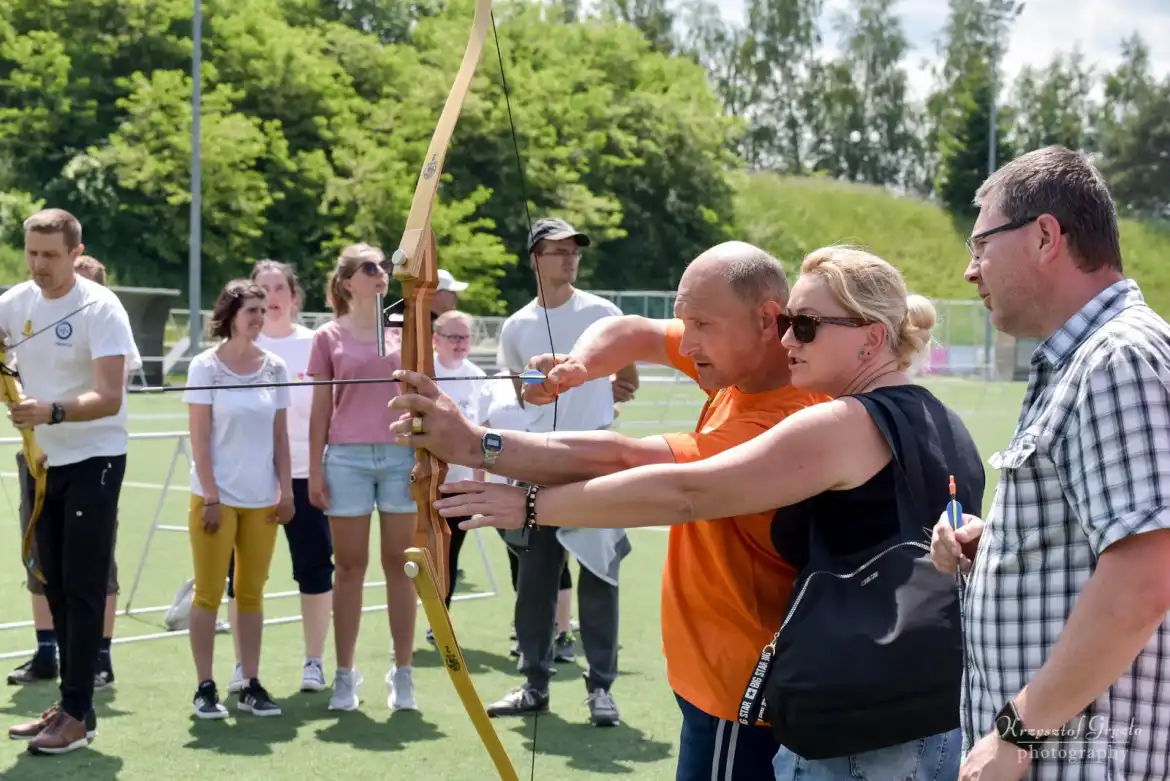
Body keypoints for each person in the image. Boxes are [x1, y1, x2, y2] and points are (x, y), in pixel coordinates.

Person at [397, 245, 987, 780]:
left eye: (804, 327)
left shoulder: (826, 421)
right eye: (790, 325)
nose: (789, 341)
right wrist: (579, 366)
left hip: (811, 707)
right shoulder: (937, 418)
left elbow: (678, 486)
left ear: (871, 338)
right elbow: (636, 332)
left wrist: (500, 470)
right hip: (906, 705)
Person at [929, 145, 1170, 781]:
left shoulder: (1115, 359)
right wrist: (1003, 547)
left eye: (981, 245)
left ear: (1044, 237)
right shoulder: (1086, 358)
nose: (970, 271)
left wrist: (1016, 732)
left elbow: (1144, 577)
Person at [490, 217, 638, 727]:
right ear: (535, 259)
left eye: (575, 250)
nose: (571, 258)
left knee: (599, 575)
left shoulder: (603, 313)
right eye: (559, 251)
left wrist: (603, 389)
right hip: (537, 461)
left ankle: (601, 689)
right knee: (535, 579)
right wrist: (546, 387)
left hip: (593, 460)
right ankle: (534, 683)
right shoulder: (516, 326)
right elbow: (523, 392)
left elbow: (628, 376)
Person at [2, 209, 138, 754]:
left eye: (51, 255)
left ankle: (77, 716)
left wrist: (51, 410)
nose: (39, 265)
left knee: (82, 586)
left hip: (94, 460)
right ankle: (72, 706)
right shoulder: (16, 301)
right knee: (53, 583)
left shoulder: (102, 307)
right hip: (42, 463)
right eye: (32, 253)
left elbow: (109, 397)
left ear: (76, 254)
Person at [307, 243, 418, 713]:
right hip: (346, 459)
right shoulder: (327, 335)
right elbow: (319, 408)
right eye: (370, 267)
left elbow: (422, 393)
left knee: (401, 565)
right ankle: (344, 674)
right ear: (347, 282)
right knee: (349, 568)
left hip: (400, 456)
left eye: (383, 266)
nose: (381, 273)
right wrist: (314, 468)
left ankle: (404, 673)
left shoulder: (404, 327)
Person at [219, 260, 334, 695]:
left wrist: (320, 467)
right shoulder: (235, 350)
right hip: (248, 480)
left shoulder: (314, 343)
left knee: (314, 568)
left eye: (279, 288)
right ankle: (242, 666)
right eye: (262, 289)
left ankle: (314, 661)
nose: (271, 298)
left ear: (294, 296)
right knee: (243, 577)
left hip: (305, 473)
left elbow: (327, 409)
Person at [182, 279, 293, 719]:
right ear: (230, 315)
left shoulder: (276, 367)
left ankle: (250, 683)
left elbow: (280, 437)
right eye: (251, 310)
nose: (259, 318)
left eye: (263, 311)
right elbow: (199, 436)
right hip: (216, 498)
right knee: (208, 593)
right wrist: (210, 495)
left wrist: (286, 491)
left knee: (251, 593)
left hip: (262, 500)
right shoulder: (204, 367)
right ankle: (204, 686)